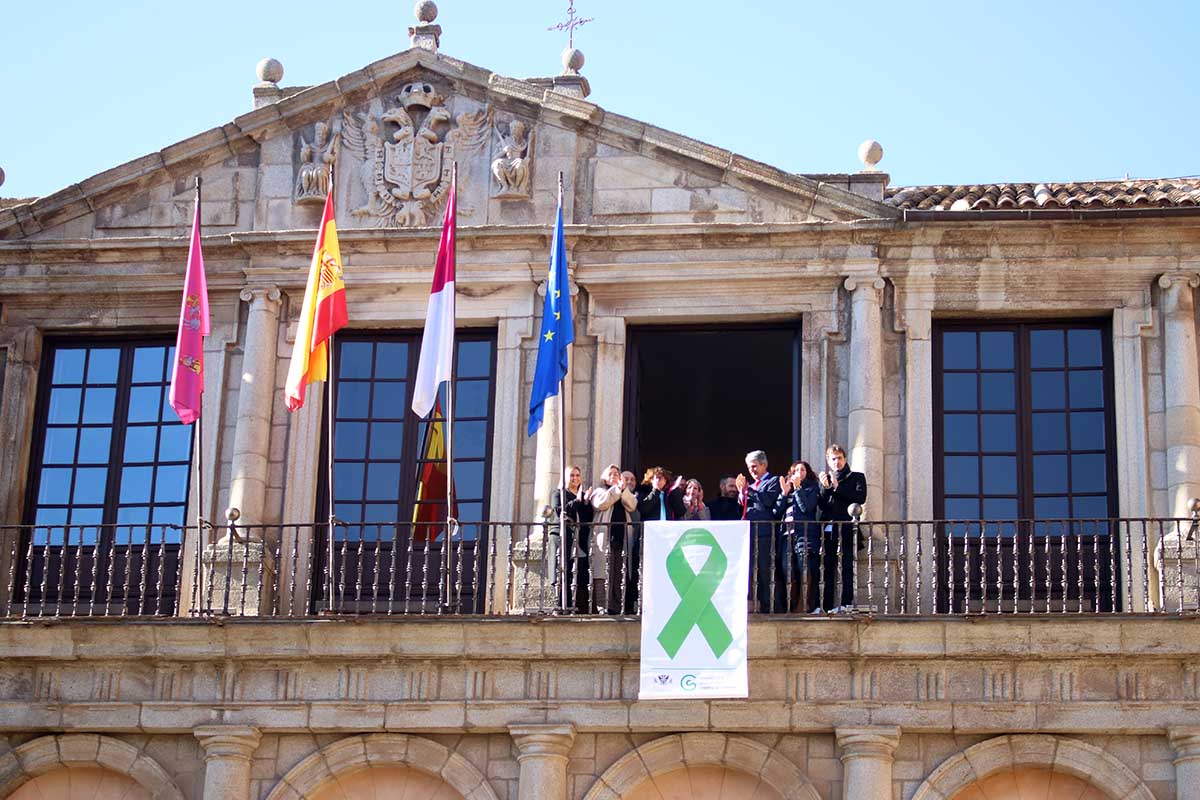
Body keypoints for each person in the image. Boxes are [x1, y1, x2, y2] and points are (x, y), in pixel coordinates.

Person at [816, 444, 868, 612]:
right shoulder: (825, 481)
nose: (836, 461)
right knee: (827, 570)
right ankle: (826, 606)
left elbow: (860, 497)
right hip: (828, 532)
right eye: (833, 459)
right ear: (828, 462)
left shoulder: (857, 477)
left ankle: (846, 604)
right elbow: (822, 505)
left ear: (845, 459)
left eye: (839, 458)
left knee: (847, 568)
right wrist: (825, 489)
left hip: (846, 530)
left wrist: (838, 488)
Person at [735, 450, 782, 613]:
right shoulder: (752, 484)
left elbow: (768, 501)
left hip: (764, 533)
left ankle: (772, 606)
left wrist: (749, 490)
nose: (751, 470)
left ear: (764, 465)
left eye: (754, 466)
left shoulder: (773, 481)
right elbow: (744, 505)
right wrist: (742, 493)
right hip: (750, 532)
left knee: (765, 570)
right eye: (749, 468)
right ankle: (756, 604)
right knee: (750, 571)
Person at [590, 463, 639, 613]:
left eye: (616, 474)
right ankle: (603, 606)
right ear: (605, 478)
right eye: (610, 474)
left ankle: (618, 606)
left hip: (621, 540)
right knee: (603, 573)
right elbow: (602, 503)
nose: (613, 476)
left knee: (620, 573)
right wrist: (618, 490)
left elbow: (632, 505)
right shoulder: (599, 492)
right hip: (604, 540)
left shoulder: (625, 493)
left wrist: (623, 491)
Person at [775, 460, 822, 612]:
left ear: (807, 473)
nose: (799, 473)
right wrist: (783, 493)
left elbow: (806, 507)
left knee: (804, 569)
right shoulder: (788, 489)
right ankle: (792, 604)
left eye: (802, 470)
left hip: (805, 535)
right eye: (796, 470)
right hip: (787, 536)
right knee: (786, 569)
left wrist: (798, 488)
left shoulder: (811, 488)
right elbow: (776, 512)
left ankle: (804, 604)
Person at [550, 465, 593, 613]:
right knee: (562, 569)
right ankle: (561, 604)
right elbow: (560, 511)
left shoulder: (583, 494)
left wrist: (586, 502)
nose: (575, 478)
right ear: (566, 478)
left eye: (577, 475)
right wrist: (578, 499)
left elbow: (588, 518)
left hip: (579, 539)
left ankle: (576, 605)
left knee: (579, 571)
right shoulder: (558, 493)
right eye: (572, 475)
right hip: (563, 536)